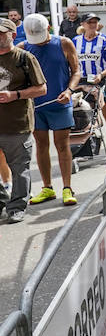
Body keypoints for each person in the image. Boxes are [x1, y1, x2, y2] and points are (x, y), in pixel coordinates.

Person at [21, 14, 79, 207]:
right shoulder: (22, 48)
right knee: (41, 144)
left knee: (62, 144)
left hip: (60, 103)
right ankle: (47, 187)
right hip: (36, 106)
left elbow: (76, 71)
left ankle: (67, 187)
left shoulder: (64, 43)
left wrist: (69, 91)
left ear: (49, 28)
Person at [0, 17, 46, 223]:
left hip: (17, 123)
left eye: (2, 33)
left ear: (12, 34)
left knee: (19, 167)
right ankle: (2, 201)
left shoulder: (24, 58)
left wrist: (15, 95)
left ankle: (17, 206)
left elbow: (42, 89)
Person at [75, 13, 106, 153]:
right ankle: (85, 145)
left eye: (95, 22)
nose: (93, 25)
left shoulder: (104, 40)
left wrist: (102, 74)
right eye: (89, 22)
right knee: (83, 112)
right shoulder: (75, 41)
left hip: (102, 80)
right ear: (82, 24)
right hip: (82, 82)